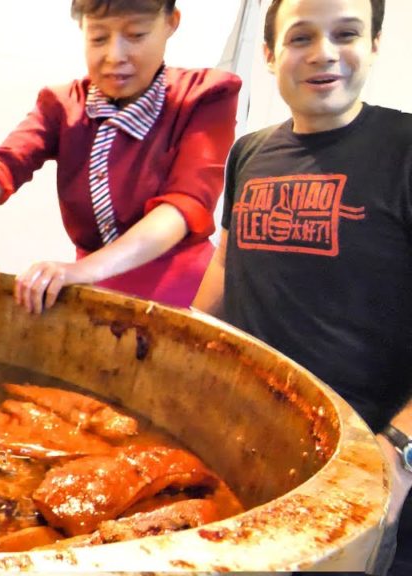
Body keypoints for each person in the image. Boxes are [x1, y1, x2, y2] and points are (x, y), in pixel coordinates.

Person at [190, 0, 411, 573]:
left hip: (366, 461)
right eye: (300, 37)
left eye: (346, 33)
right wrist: (183, 353)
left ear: (375, 44)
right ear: (269, 54)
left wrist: (400, 452)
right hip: (248, 442)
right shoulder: (251, 152)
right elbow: (227, 261)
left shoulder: (405, 149)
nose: (324, 53)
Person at [0, 0, 242, 320]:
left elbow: (181, 208)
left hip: (180, 297)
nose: (114, 55)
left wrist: (79, 271)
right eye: (98, 38)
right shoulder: (63, 105)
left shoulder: (205, 96)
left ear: (171, 23)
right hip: (96, 292)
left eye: (135, 35)